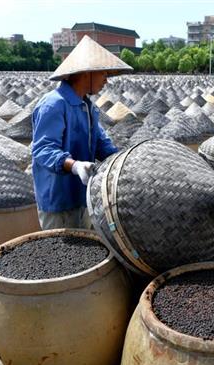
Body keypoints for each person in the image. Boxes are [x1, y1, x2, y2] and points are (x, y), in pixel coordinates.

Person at [31, 36, 132, 229]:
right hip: (58, 201)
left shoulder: (88, 107)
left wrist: (125, 162)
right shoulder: (54, 104)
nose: (106, 81)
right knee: (61, 254)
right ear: (87, 73)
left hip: (83, 196)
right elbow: (43, 149)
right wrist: (75, 165)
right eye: (104, 74)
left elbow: (102, 144)